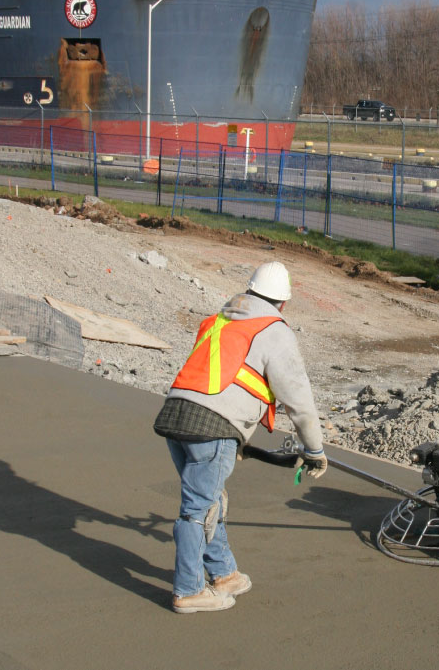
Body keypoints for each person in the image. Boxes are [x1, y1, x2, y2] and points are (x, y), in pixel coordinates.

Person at [152, 260, 327, 614]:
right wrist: (315, 449)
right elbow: (298, 397)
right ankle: (188, 591)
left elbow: (224, 379)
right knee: (197, 510)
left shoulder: (223, 319)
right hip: (212, 425)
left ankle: (223, 573)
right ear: (284, 302)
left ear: (249, 291)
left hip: (177, 413)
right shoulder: (273, 330)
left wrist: (238, 440)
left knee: (211, 498)